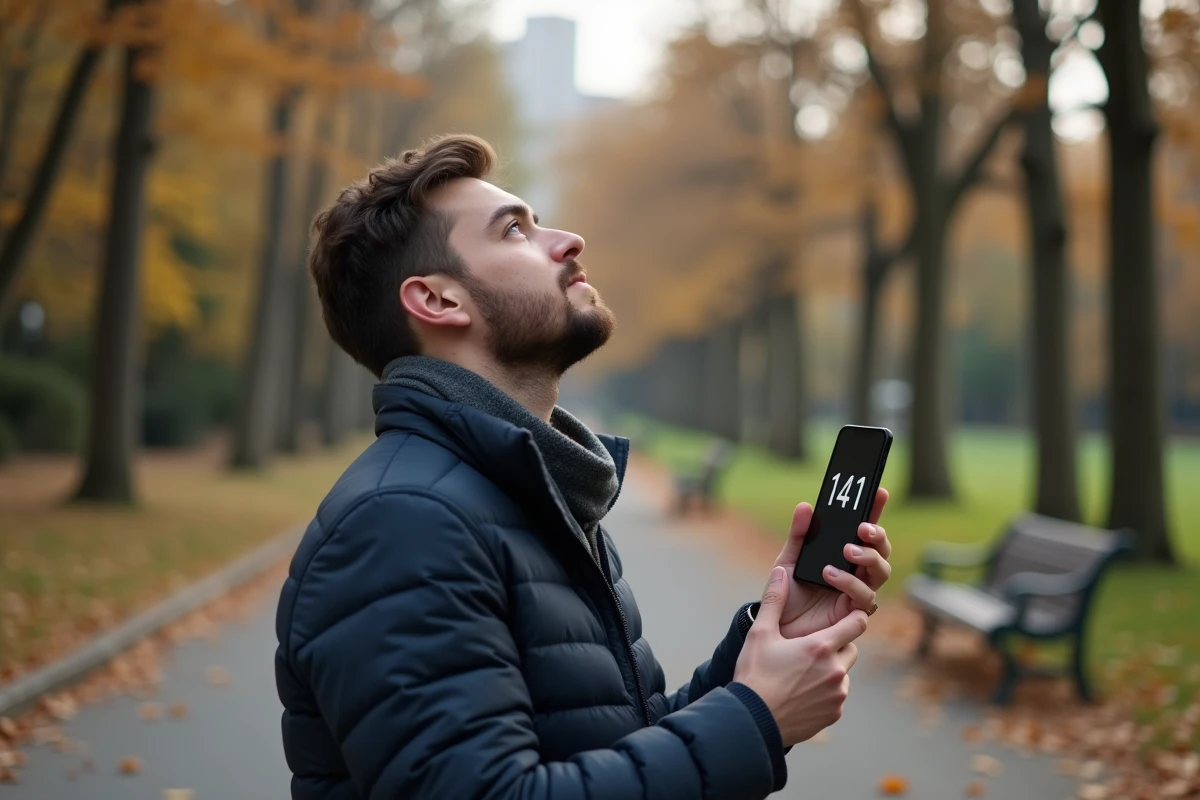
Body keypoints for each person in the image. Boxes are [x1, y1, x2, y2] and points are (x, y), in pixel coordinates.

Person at [274, 134, 894, 800]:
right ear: (439, 301)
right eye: (515, 230)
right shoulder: (404, 522)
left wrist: (759, 662)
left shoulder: (532, 493)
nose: (568, 241)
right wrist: (755, 717)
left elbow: (616, 745)